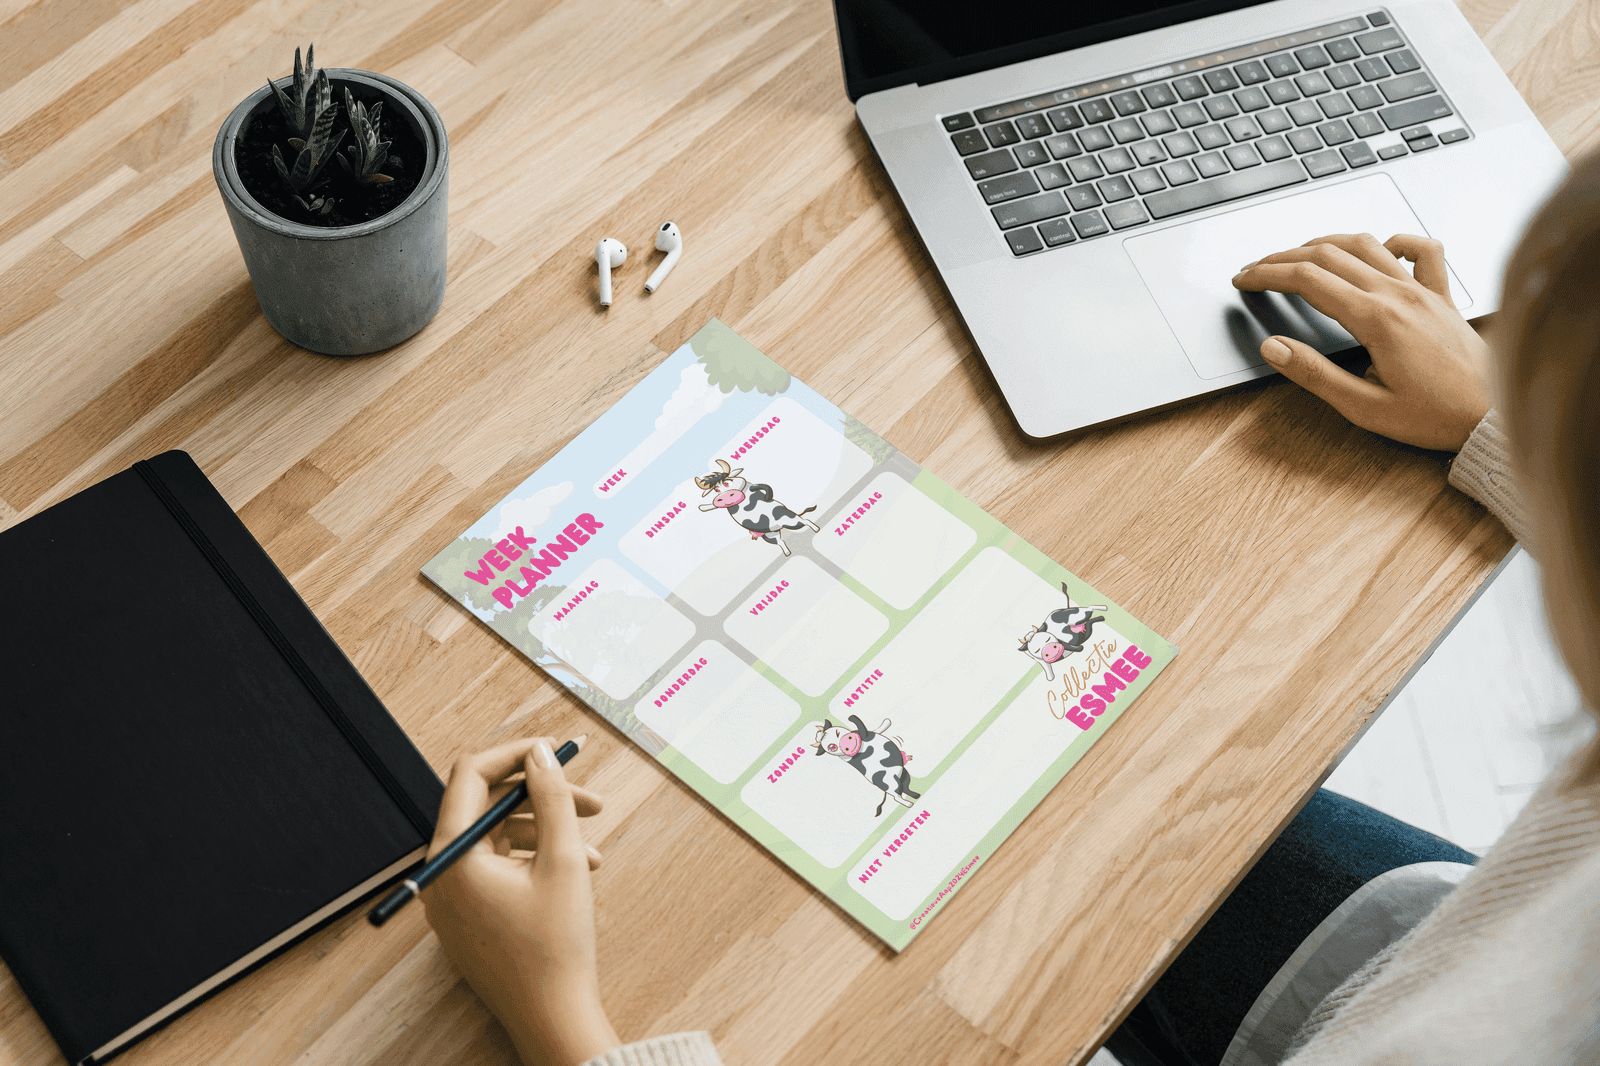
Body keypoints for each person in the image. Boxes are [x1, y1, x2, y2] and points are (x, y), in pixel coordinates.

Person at [420, 150, 1600, 1066]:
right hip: (1466, 941)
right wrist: (1504, 423)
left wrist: (566, 1024)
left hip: (1435, 1019)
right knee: (1139, 793)